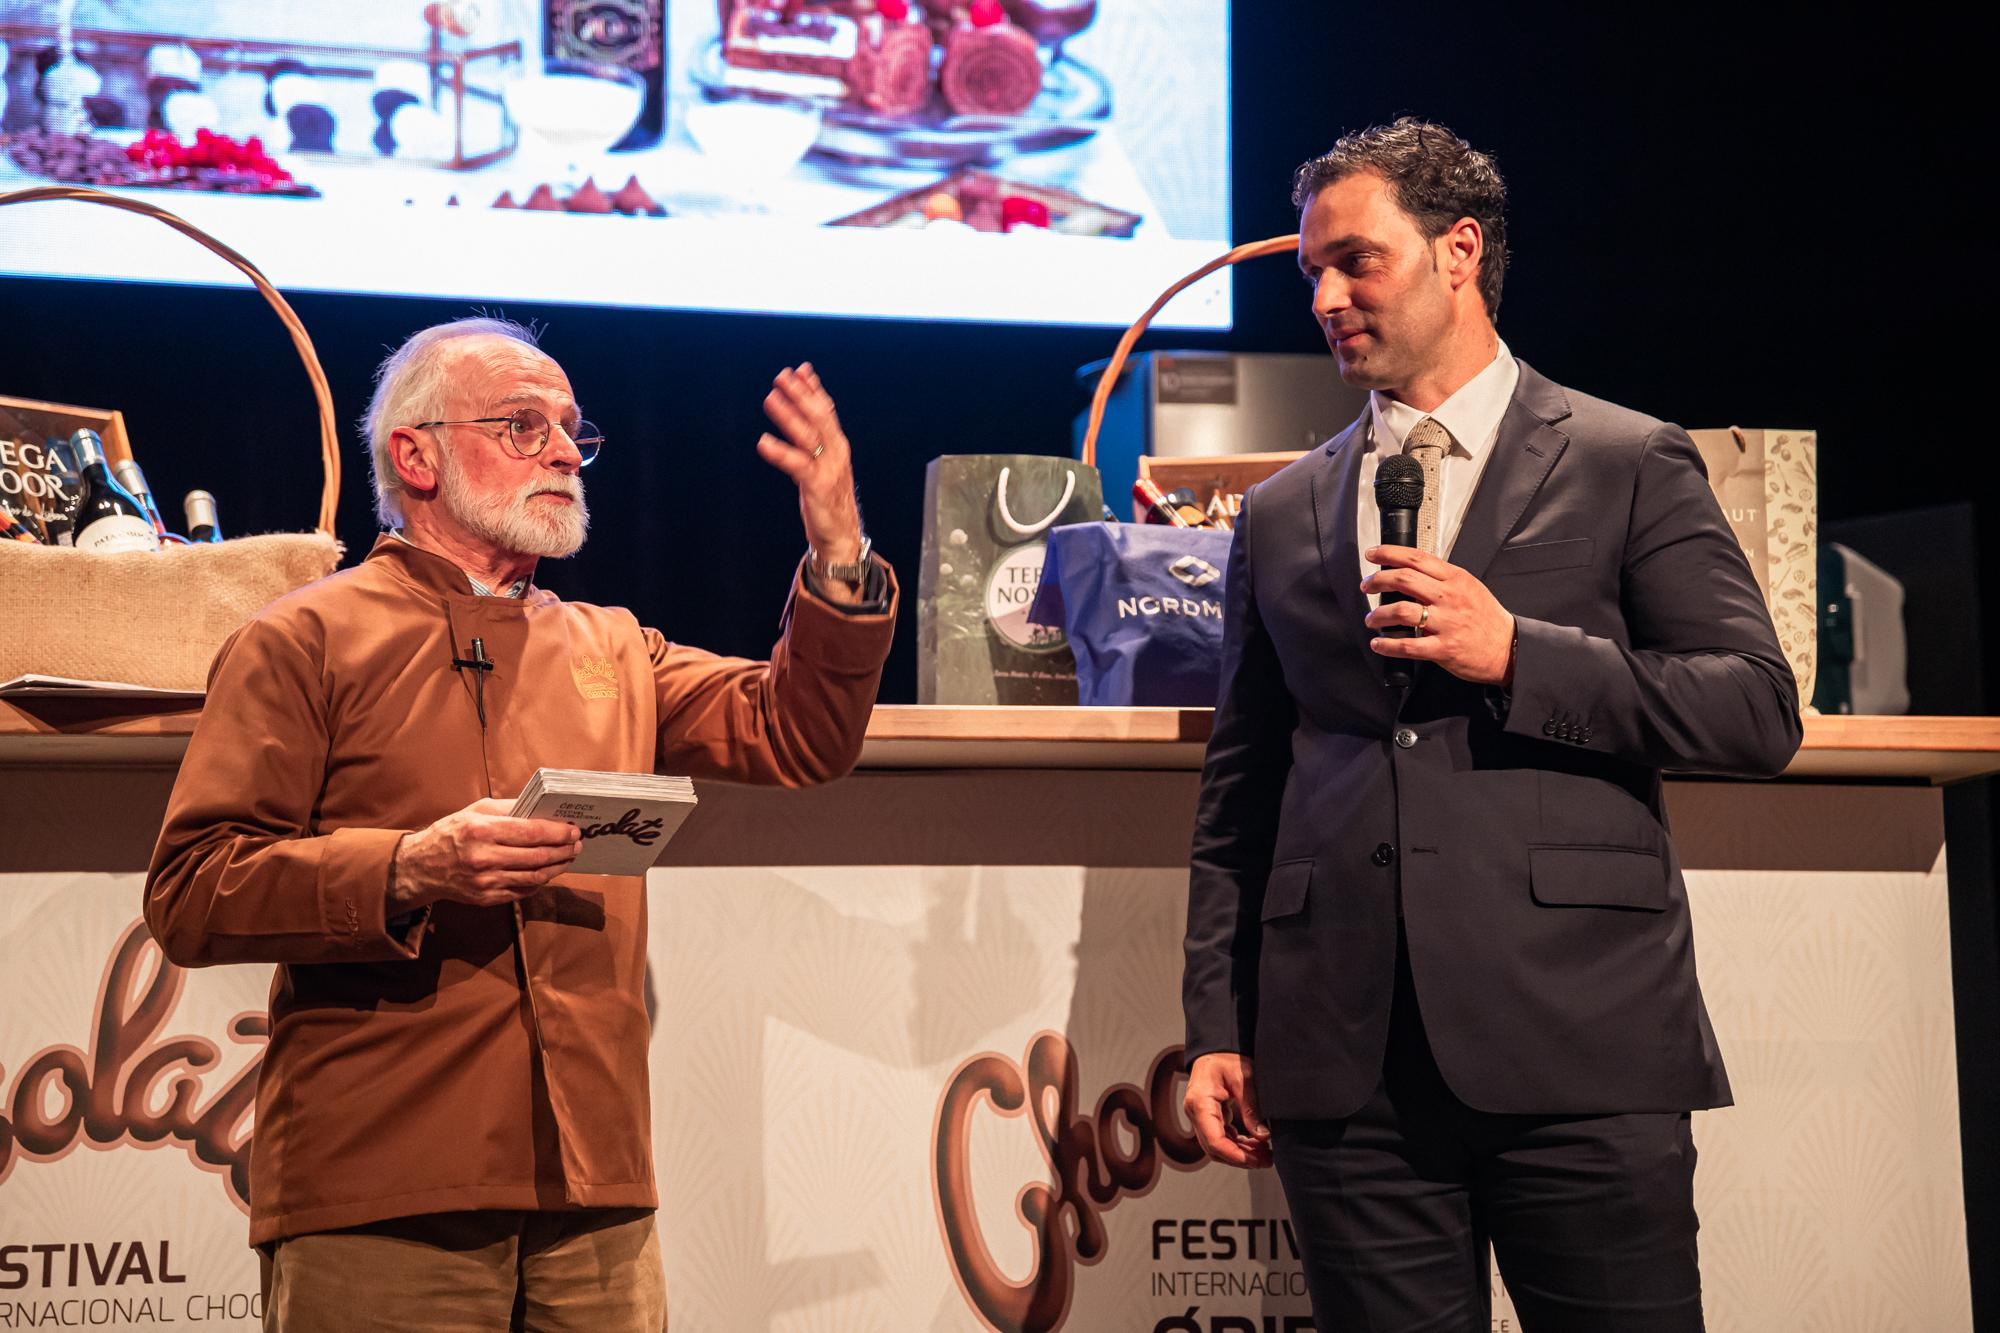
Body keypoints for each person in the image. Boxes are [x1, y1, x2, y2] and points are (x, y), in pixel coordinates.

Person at [145, 317, 896, 1332]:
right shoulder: (303, 637)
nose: (559, 452)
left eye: (570, 431)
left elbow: (799, 735)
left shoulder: (612, 646)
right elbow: (194, 888)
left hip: (593, 1193)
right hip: (380, 1183)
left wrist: (838, 547)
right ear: (415, 454)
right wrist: (408, 867)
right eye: (521, 424)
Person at [1180, 119, 1802, 1331]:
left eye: (1354, 260)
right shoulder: (1281, 507)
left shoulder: (1625, 459)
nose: (1323, 295)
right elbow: (1240, 790)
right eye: (1311, 269)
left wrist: (1518, 653)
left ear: (1457, 250)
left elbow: (1751, 705)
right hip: (1341, 1067)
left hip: (1578, 1044)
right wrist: (1216, 1021)